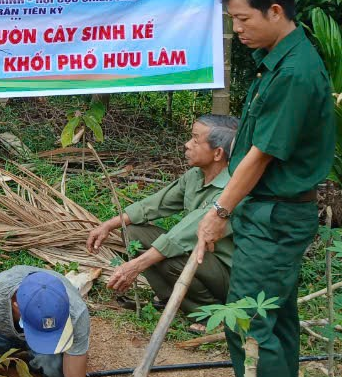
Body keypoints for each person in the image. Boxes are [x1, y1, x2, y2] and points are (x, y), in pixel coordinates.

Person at [195, 0, 335, 377]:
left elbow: (257, 156)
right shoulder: (277, 58)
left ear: (276, 11)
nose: (238, 29)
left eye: (242, 18)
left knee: (251, 324)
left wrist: (218, 212)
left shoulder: (297, 71)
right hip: (266, 213)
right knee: (271, 324)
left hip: (276, 217)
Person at [86, 114, 239, 324]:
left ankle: (208, 315)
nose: (187, 145)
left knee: (171, 260)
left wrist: (136, 266)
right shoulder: (195, 176)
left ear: (218, 153)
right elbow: (155, 204)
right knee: (132, 232)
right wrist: (108, 225)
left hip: (227, 273)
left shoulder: (233, 190)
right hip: (201, 259)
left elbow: (185, 233)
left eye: (195, 140)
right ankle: (172, 299)